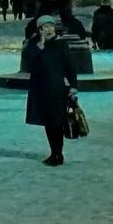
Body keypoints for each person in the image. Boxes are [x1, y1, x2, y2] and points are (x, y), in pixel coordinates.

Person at [24, 15, 77, 166]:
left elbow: (70, 66)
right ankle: (54, 152)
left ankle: (58, 154)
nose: (48, 29)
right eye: (44, 26)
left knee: (57, 121)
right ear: (39, 28)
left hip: (58, 88)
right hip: (40, 88)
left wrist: (73, 86)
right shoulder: (33, 44)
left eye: (50, 26)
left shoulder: (61, 43)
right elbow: (30, 63)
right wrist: (40, 45)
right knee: (48, 122)